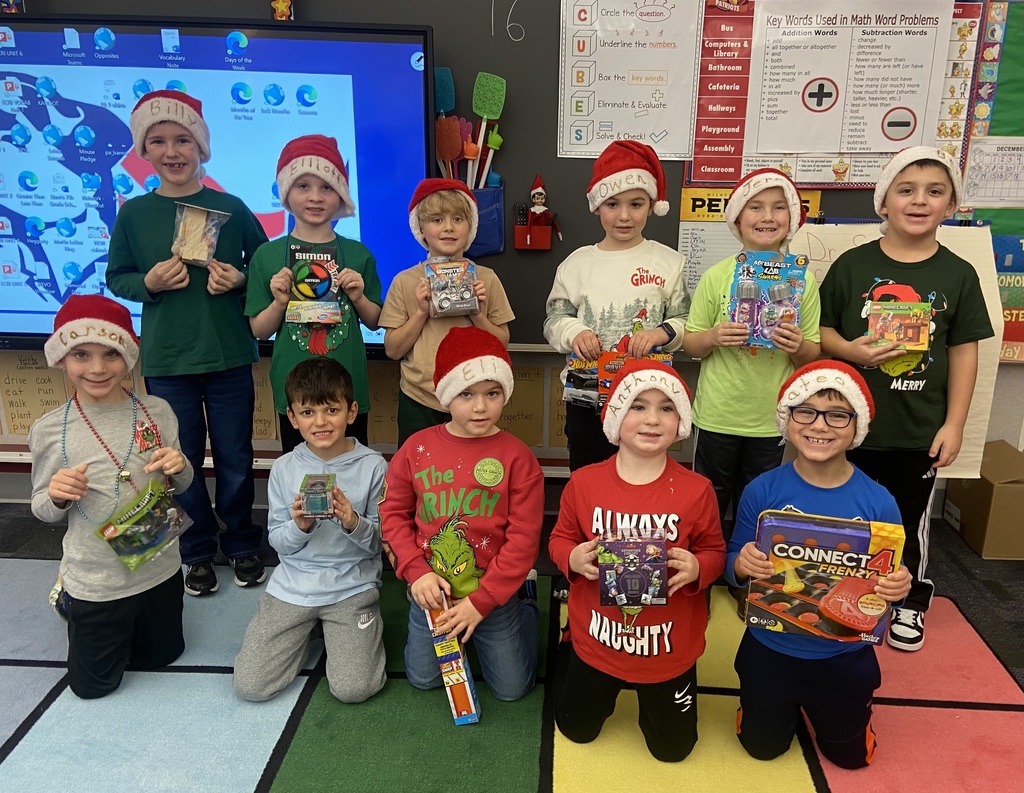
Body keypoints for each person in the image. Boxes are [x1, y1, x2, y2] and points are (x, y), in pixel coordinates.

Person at [819, 146, 993, 651]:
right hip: (849, 424)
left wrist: (954, 423)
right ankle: (843, 593)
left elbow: (964, 351)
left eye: (934, 192)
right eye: (907, 190)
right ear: (884, 201)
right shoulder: (853, 266)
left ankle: (911, 601)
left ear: (950, 205)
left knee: (908, 518)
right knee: (846, 516)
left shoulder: (957, 274)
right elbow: (821, 331)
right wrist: (850, 350)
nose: (919, 201)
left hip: (918, 427)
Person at [106, 90, 269, 597]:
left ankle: (242, 542)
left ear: (201, 146)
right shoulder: (133, 213)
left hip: (227, 355)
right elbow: (118, 278)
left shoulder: (231, 207)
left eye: (183, 139)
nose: (172, 150)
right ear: (144, 152)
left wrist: (240, 280)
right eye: (158, 141)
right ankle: (195, 550)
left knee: (236, 457)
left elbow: (265, 268)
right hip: (168, 359)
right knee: (179, 459)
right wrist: (148, 283)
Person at [726, 361, 911, 768]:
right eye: (805, 411)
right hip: (770, 646)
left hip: (843, 656)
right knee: (762, 749)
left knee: (851, 758)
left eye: (838, 415)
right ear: (787, 419)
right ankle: (764, 711)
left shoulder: (879, 502)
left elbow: (889, 584)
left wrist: (898, 589)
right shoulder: (762, 490)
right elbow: (731, 565)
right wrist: (742, 563)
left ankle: (845, 720)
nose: (820, 426)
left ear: (856, 426)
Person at [548, 360, 726, 762]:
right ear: (614, 416)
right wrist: (572, 558)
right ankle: (569, 646)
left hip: (667, 648)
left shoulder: (697, 490)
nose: (652, 419)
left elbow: (716, 551)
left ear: (680, 421)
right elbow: (560, 539)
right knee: (574, 729)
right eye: (638, 406)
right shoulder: (584, 482)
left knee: (673, 751)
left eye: (666, 407)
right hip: (596, 640)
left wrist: (698, 569)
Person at [28, 295, 194, 699]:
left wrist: (180, 466)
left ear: (130, 358)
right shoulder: (51, 429)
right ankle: (69, 598)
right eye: (81, 354)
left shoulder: (158, 410)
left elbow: (183, 484)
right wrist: (57, 495)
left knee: (164, 658)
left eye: (111, 354)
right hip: (97, 579)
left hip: (160, 567)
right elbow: (42, 508)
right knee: (93, 687)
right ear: (61, 359)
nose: (98, 368)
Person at [379, 326, 543, 702]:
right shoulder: (415, 449)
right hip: (432, 596)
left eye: (492, 393)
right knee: (423, 679)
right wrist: (416, 574)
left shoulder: (518, 458)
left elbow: (523, 541)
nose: (481, 406)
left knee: (513, 689)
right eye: (466, 394)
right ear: (445, 394)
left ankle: (527, 604)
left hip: (492, 595)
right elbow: (391, 515)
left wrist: (481, 603)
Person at [683, 169, 820, 608]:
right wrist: (713, 337)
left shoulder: (803, 281)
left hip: (771, 418)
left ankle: (746, 582)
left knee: (759, 503)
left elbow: (814, 353)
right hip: (719, 412)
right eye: (756, 207)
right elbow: (690, 343)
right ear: (737, 220)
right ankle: (702, 577)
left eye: (779, 207)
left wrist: (799, 346)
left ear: (793, 219)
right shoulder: (718, 276)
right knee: (708, 498)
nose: (767, 216)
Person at [233, 358, 387, 703]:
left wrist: (353, 522)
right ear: (292, 418)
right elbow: (277, 542)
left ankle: (340, 628)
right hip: (294, 587)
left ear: (351, 412)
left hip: (352, 585)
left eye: (331, 409)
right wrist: (299, 527)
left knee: (354, 689)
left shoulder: (374, 466)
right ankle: (308, 631)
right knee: (250, 686)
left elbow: (381, 541)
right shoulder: (285, 467)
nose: (320, 422)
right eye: (307, 413)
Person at [543, 140, 690, 474]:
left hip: (648, 398)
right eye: (612, 204)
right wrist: (574, 331)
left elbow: (686, 322)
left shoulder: (669, 263)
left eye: (636, 204)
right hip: (587, 396)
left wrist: (660, 333)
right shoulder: (576, 264)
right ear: (597, 207)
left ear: (652, 205)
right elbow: (554, 319)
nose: (624, 215)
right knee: (587, 473)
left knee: (644, 474)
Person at [246, 134, 383, 452]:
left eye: (327, 187)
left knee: (353, 471)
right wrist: (280, 303)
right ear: (285, 192)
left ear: (342, 195)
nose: (315, 197)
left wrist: (360, 298)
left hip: (347, 392)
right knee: (298, 474)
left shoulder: (357, 253)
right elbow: (259, 330)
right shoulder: (268, 256)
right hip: (295, 394)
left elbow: (376, 321)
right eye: (303, 186)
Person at [379, 179, 514, 446]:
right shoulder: (405, 281)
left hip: (473, 400)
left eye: (458, 219)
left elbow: (502, 344)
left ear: (471, 227)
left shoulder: (486, 278)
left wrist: (477, 313)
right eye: (437, 220)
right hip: (419, 399)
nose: (449, 227)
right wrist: (420, 312)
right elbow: (393, 350)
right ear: (421, 228)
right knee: (419, 478)